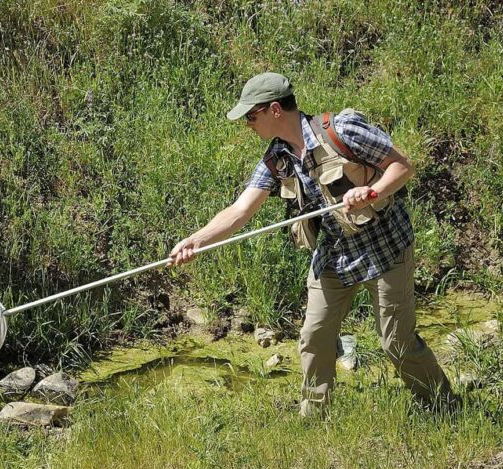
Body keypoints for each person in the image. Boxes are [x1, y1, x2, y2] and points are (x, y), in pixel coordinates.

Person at [167, 72, 455, 417]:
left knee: (397, 343)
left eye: (251, 116)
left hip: (386, 250)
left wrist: (372, 192)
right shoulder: (276, 159)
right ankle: (315, 417)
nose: (247, 124)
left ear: (275, 109)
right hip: (333, 258)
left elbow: (402, 165)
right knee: (314, 337)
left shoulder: (342, 129)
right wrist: (194, 241)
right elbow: (240, 212)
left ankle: (443, 407)